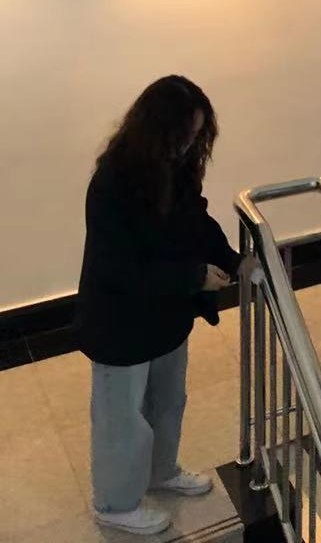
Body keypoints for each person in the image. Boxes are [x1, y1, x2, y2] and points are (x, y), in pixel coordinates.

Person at [75, 76, 251, 536]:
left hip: (166, 314)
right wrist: (193, 277)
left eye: (196, 135)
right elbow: (119, 269)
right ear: (156, 130)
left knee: (168, 401)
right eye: (183, 135)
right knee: (121, 419)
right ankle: (115, 503)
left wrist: (231, 259)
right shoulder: (113, 183)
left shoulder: (177, 168)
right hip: (120, 323)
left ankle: (160, 471)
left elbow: (196, 222)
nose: (190, 145)